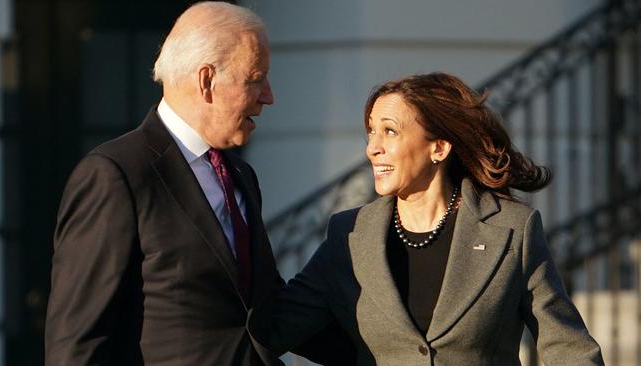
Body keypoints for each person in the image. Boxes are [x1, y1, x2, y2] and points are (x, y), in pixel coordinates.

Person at [256, 73, 604, 365]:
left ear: (439, 148)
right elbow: (277, 328)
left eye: (389, 131)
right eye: (371, 131)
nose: (372, 147)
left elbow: (568, 349)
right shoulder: (349, 236)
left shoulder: (511, 229)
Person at [45, 2, 283, 365]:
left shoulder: (240, 176)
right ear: (207, 81)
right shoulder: (116, 174)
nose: (268, 96)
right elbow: (77, 343)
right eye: (254, 79)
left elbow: (265, 305)